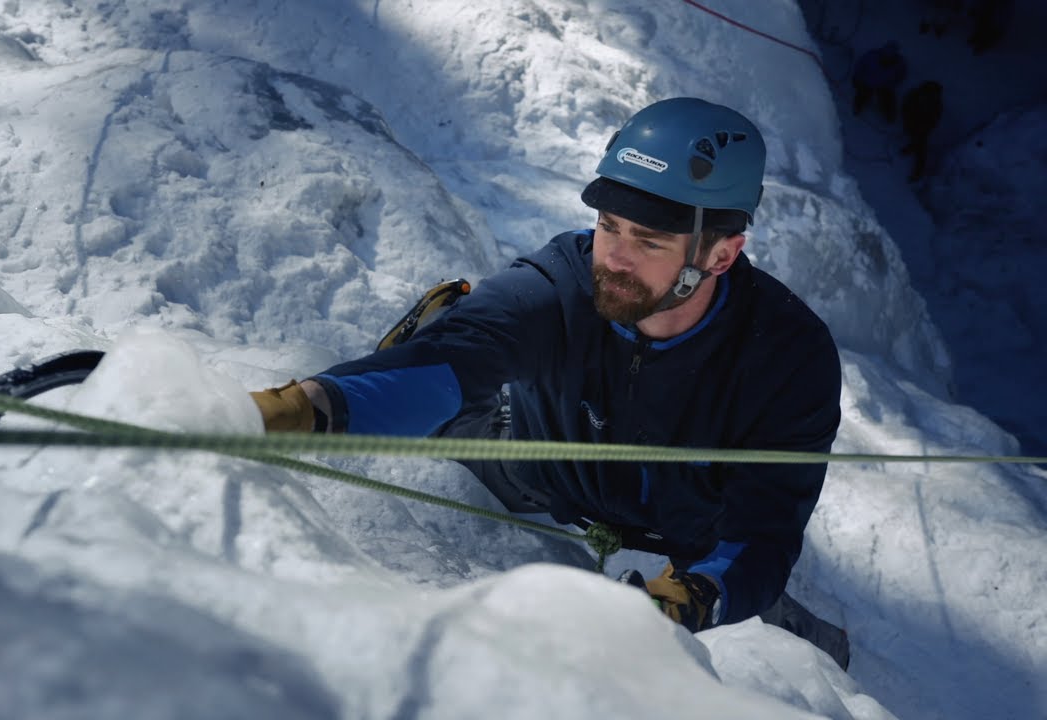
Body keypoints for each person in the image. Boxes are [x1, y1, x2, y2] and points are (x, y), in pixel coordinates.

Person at [250, 98, 846, 666]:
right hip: (532, 468)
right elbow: (454, 361)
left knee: (765, 631)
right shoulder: (560, 284)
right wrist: (301, 408)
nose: (615, 257)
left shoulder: (788, 358)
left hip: (689, 537)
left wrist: (695, 595)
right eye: (609, 226)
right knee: (429, 385)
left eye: (649, 240)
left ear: (720, 256)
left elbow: (763, 526)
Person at [851, 42, 908, 123]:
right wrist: (858, 78)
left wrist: (891, 84)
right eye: (885, 56)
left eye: (889, 58)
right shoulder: (871, 56)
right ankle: (857, 108)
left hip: (884, 86)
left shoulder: (899, 64)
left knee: (888, 99)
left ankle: (890, 117)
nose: (886, 59)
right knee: (863, 93)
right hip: (868, 82)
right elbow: (860, 66)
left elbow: (901, 76)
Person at [901, 81, 944, 181]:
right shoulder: (914, 95)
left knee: (921, 148)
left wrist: (925, 128)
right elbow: (905, 107)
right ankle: (912, 146)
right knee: (914, 138)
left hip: (923, 128)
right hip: (912, 123)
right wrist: (907, 120)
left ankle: (918, 172)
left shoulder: (936, 104)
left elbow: (935, 119)